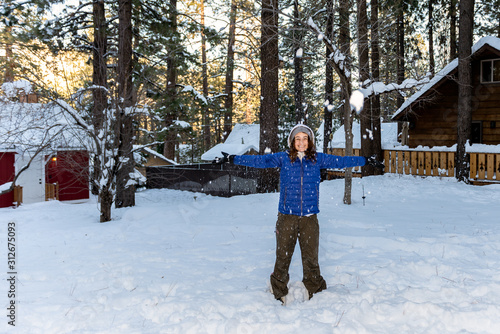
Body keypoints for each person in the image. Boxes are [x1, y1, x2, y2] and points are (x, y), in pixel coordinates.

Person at [214, 124, 383, 305]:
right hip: (287, 216)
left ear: (309, 141)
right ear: (292, 141)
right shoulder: (283, 158)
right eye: (298, 139)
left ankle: (315, 288)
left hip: (310, 217)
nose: (301, 142)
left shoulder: (318, 159)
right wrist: (233, 159)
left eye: (305, 138)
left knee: (311, 257)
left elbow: (340, 161)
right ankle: (278, 288)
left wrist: (365, 160)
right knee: (283, 256)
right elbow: (260, 161)